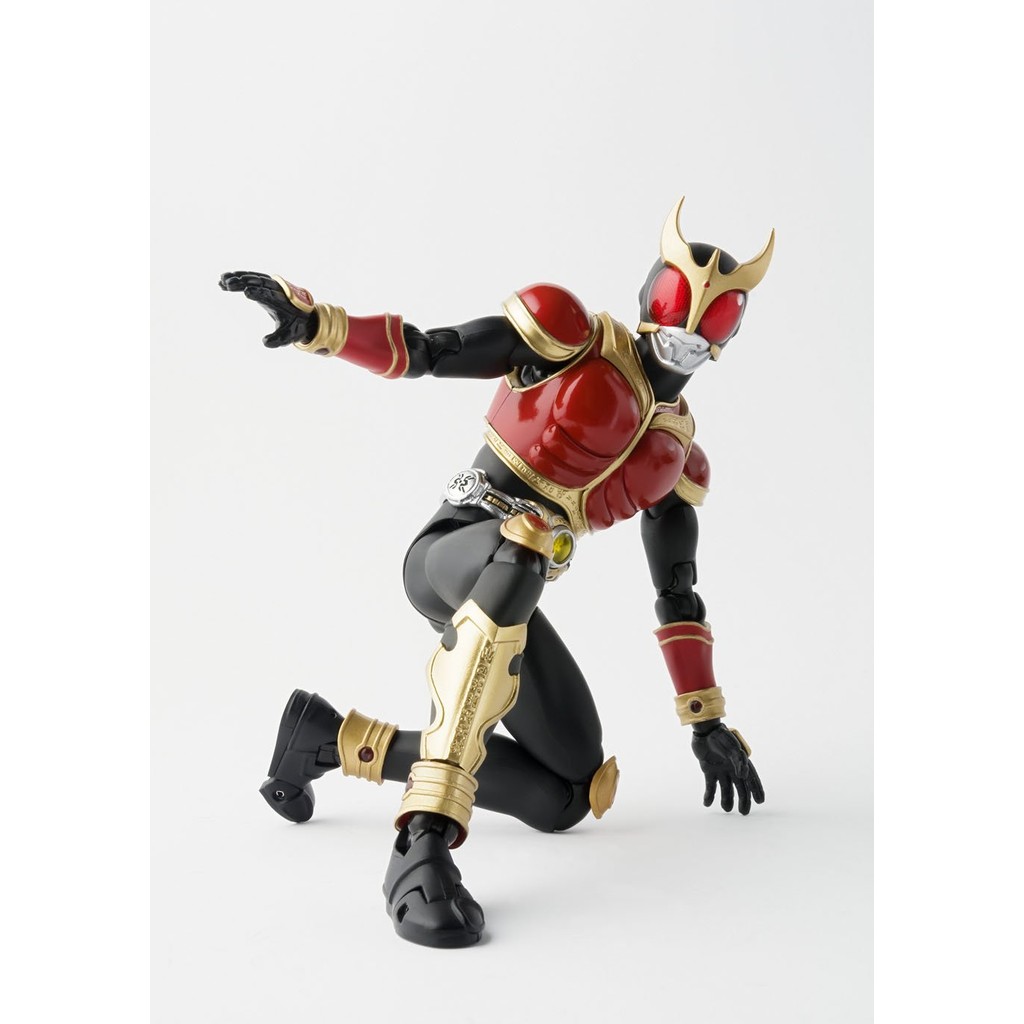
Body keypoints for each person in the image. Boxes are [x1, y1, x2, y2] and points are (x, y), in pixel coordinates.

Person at [221, 197, 773, 948]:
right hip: (452, 550)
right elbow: (429, 348)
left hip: (514, 585)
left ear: (731, 331)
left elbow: (677, 593)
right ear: (653, 294)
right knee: (528, 541)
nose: (689, 325)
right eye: (681, 299)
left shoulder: (678, 456)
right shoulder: (570, 337)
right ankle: (421, 842)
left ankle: (327, 740)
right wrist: (322, 325)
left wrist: (705, 721)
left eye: (715, 314)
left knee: (569, 792)